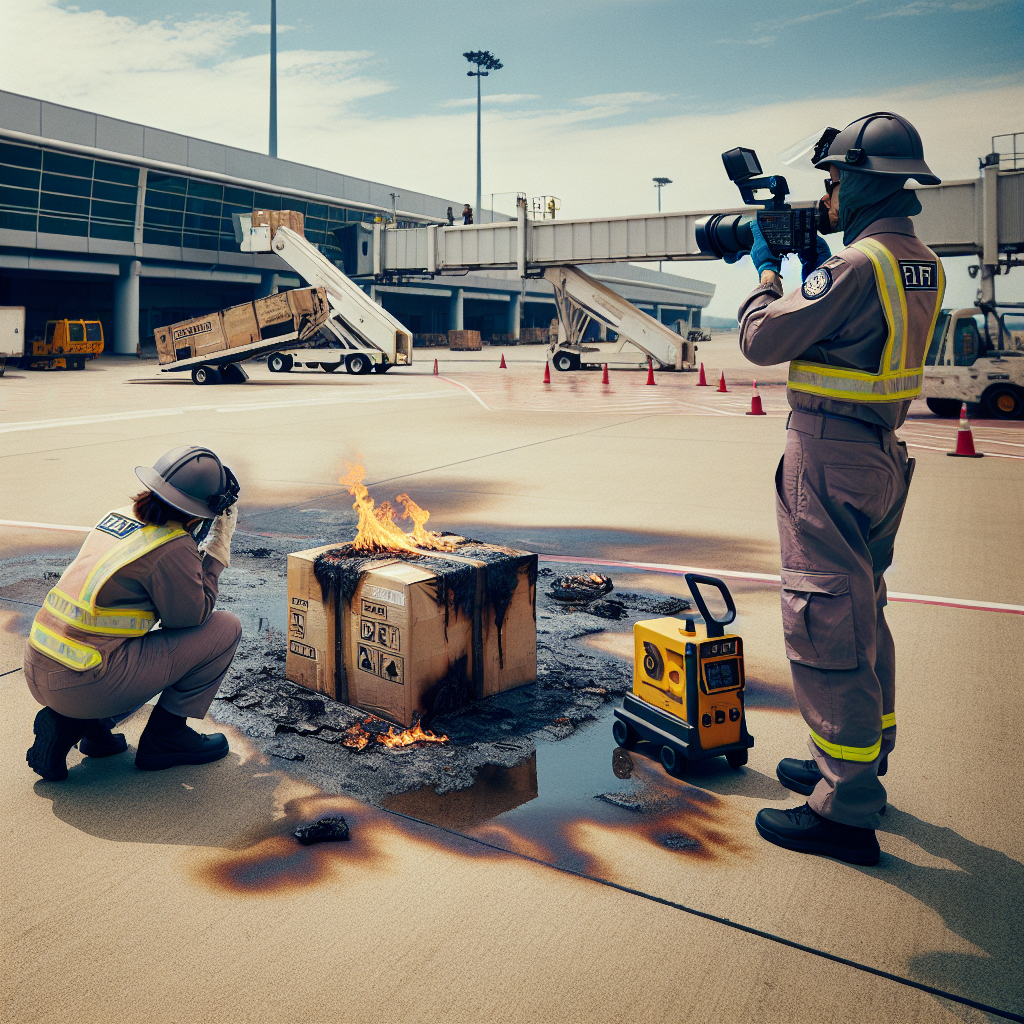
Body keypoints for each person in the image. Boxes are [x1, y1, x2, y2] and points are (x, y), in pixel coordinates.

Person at [735, 112, 944, 866]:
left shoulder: (855, 268)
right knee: (864, 610)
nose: (825, 190)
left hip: (830, 453)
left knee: (823, 617)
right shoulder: (916, 261)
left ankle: (844, 804)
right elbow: (856, 333)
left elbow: (762, 340)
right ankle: (859, 756)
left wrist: (768, 273)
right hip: (881, 453)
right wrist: (820, 272)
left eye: (831, 178)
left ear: (858, 179)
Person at [24, 446, 243, 780]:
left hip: (40, 666)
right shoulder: (172, 547)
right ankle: (166, 736)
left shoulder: (119, 516)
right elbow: (192, 617)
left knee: (120, 644)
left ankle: (84, 727)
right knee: (225, 628)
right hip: (85, 682)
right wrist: (217, 549)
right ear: (200, 510)